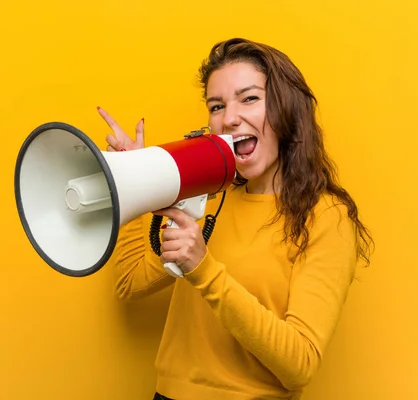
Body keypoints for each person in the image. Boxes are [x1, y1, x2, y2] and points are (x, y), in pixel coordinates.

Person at [97, 38, 374, 400]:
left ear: (286, 108)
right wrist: (137, 183)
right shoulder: (210, 199)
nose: (229, 118)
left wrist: (203, 268)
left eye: (249, 98)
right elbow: (130, 283)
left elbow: (299, 365)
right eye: (217, 106)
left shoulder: (325, 217)